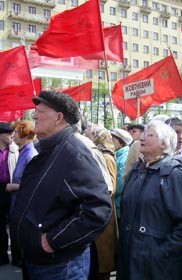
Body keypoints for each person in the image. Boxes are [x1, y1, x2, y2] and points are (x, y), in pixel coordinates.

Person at [10, 90, 112, 280]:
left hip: (60, 266)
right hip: (40, 261)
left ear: (58, 118)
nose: (34, 115)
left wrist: (53, 240)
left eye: (40, 111)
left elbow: (97, 210)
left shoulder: (75, 155)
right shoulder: (47, 149)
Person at [117, 120, 182, 280]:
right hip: (129, 260)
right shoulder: (136, 171)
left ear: (164, 144)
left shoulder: (173, 175)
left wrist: (160, 253)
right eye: (143, 134)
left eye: (150, 135)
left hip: (158, 268)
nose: (142, 138)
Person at [86, 124, 118, 280]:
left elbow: (111, 186)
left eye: (90, 134)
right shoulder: (98, 154)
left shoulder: (106, 157)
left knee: (103, 259)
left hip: (104, 213)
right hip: (100, 211)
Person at [5, 120, 38, 272]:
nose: (14, 136)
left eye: (16, 133)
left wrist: (12, 186)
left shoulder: (30, 154)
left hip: (23, 204)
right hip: (17, 201)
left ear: (23, 134)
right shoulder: (23, 151)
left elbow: (33, 183)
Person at [0, 122, 18, 266]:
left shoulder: (15, 150)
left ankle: (17, 256)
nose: (12, 136)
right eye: (8, 133)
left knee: (14, 223)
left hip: (12, 190)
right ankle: (2, 256)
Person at [110, 128, 133, 223]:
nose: (111, 141)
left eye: (114, 139)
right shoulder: (117, 155)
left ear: (121, 143)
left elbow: (120, 184)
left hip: (119, 205)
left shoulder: (124, 157)